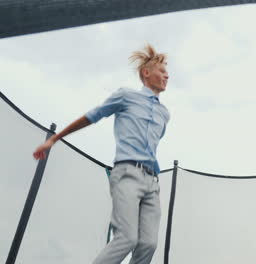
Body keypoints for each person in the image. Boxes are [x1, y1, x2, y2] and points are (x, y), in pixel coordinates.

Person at [33, 44, 170, 264]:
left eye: (167, 72)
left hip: (152, 182)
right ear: (147, 73)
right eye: (162, 71)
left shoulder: (164, 114)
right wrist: (53, 139)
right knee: (127, 238)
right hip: (128, 173)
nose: (167, 75)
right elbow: (92, 116)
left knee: (148, 244)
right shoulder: (126, 96)